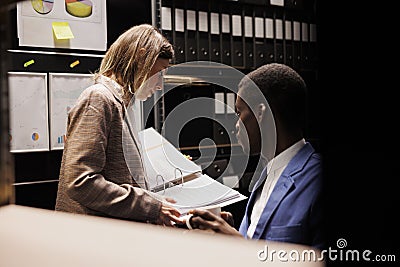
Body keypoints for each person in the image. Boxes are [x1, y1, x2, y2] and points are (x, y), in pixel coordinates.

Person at [187, 63, 325, 249]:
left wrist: (238, 243)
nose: (236, 125)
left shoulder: (317, 182)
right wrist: (232, 232)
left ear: (260, 112)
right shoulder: (266, 176)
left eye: (239, 112)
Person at [55, 24, 181, 226]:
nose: (159, 86)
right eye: (160, 73)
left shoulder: (124, 103)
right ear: (141, 58)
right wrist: (151, 207)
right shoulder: (98, 98)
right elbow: (80, 182)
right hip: (91, 236)